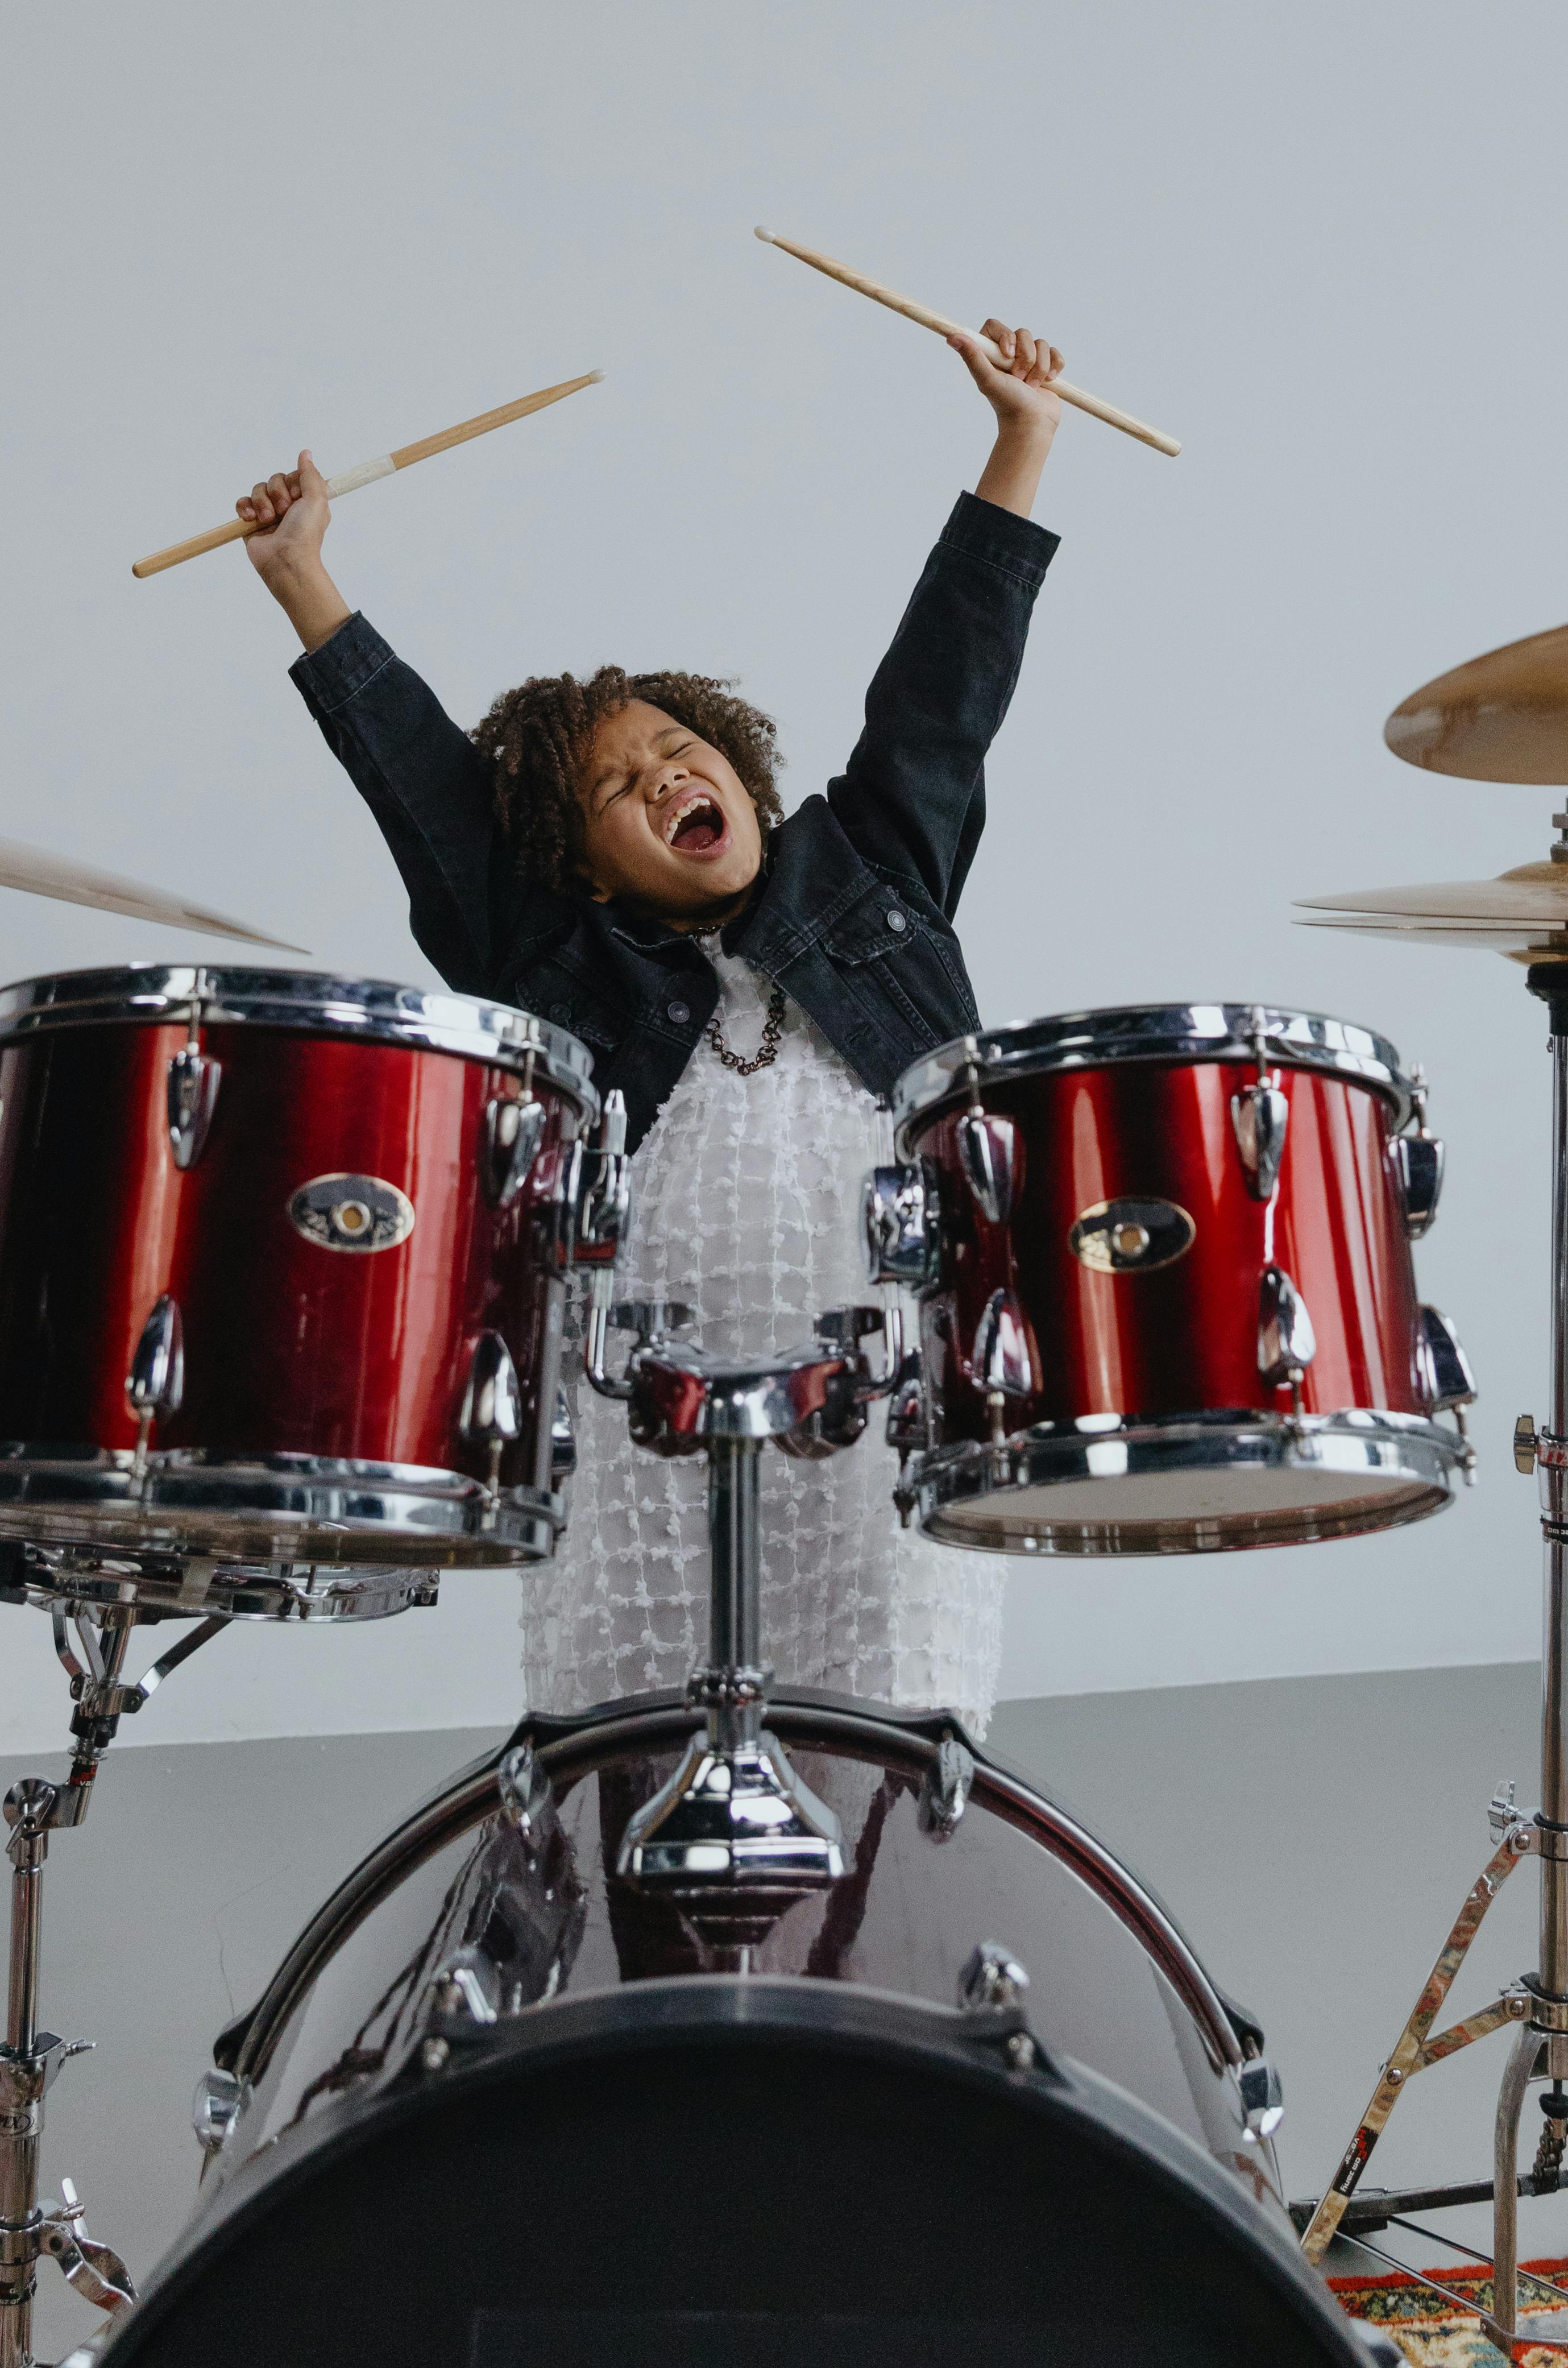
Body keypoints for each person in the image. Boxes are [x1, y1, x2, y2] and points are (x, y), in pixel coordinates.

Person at [240, 318, 1064, 1738]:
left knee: (883, 1778)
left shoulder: (871, 874)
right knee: (628, 1778)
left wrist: (1020, 439)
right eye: (619, 783)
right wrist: (300, 575)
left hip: (872, 1439)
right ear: (579, 865)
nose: (666, 772)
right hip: (641, 1457)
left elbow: (942, 695)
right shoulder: (552, 964)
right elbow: (428, 792)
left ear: (738, 772)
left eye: (680, 749)